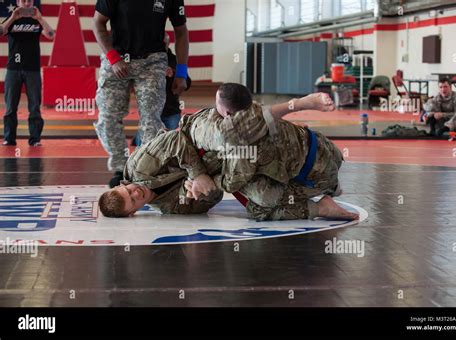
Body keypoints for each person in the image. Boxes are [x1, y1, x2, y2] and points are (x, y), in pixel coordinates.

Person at [99, 88, 358, 221]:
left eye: (128, 190)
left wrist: (196, 173)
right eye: (132, 200)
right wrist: (201, 190)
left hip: (197, 136)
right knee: (263, 205)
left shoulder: (138, 167)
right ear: (134, 212)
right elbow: (211, 200)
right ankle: (319, 206)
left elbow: (174, 139)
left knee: (226, 135)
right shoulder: (170, 207)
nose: (135, 193)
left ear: (124, 183)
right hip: (221, 168)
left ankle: (298, 104)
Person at [180, 83, 357, 221]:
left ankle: (322, 207)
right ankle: (332, 187)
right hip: (326, 147)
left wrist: (205, 180)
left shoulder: (238, 143)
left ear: (227, 113)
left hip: (316, 176)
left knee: (261, 206)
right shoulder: (256, 109)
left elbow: (231, 183)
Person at [92, 0, 189, 188]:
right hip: (117, 57)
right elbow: (97, 22)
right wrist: (113, 58)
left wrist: (181, 72)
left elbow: (181, 31)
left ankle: (142, 169)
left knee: (151, 119)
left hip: (152, 61)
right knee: (108, 116)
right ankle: (120, 167)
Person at [1, 0, 55, 146]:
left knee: (34, 107)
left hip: (33, 69)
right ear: (18, 2)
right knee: (11, 106)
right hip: (13, 69)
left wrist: (40, 18)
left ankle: (35, 139)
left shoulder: (36, 19)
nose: (26, 3)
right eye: (23, 0)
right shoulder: (12, 18)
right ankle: (9, 138)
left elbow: (51, 35)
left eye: (29, 0)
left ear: (32, 2)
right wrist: (13, 17)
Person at [132, 33, 192, 146]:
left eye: (164, 42)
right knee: (143, 146)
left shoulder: (176, 60)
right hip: (149, 111)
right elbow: (135, 81)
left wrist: (175, 74)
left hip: (171, 111)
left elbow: (187, 83)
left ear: (168, 43)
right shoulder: (144, 58)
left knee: (169, 145)